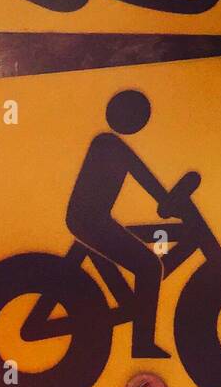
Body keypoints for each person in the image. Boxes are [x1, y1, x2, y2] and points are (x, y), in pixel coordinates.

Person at [66, 90, 175, 359]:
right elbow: (147, 180)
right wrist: (167, 202)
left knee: (140, 259)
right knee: (150, 267)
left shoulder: (112, 145)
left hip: (94, 219)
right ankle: (142, 344)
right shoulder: (109, 144)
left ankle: (130, 310)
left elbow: (147, 180)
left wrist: (166, 199)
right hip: (90, 221)